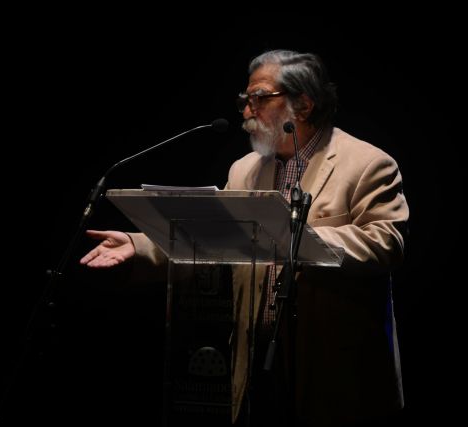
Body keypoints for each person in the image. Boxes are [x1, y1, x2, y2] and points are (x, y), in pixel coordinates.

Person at [80, 49, 409, 427]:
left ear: (303, 105)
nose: (246, 110)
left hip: (335, 371)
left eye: (259, 98)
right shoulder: (245, 170)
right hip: (257, 366)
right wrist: (138, 246)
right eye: (245, 99)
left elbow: (386, 243)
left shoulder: (368, 163)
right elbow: (209, 239)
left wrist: (295, 238)